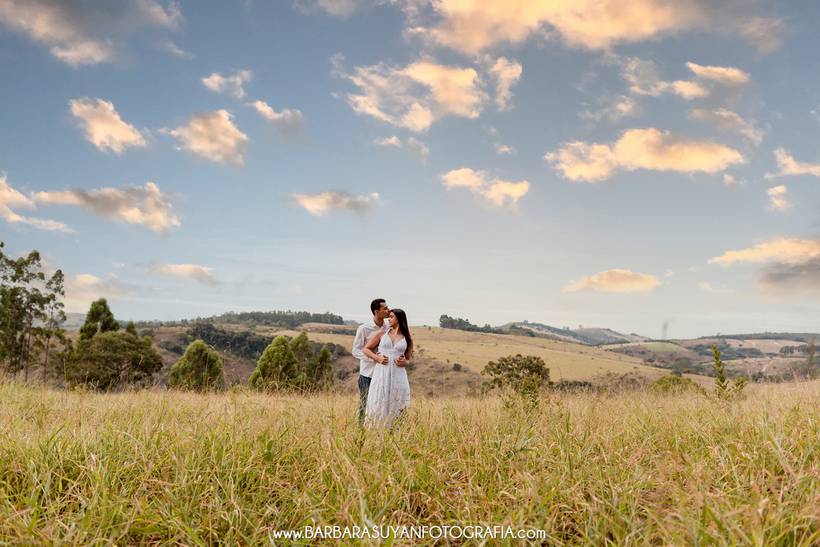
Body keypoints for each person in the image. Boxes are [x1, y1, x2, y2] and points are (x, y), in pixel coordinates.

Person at [351, 299, 405, 423]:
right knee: (365, 404)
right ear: (376, 311)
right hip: (368, 374)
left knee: (385, 404)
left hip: (385, 374)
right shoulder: (364, 328)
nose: (388, 310)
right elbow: (356, 351)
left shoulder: (389, 328)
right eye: (385, 308)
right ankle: (361, 433)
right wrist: (375, 358)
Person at [362, 308, 412, 427]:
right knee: (378, 399)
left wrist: (405, 362)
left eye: (392, 317)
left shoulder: (407, 337)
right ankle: (376, 429)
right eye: (389, 316)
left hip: (398, 374)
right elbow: (366, 349)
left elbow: (408, 358)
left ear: (399, 319)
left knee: (398, 401)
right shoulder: (381, 333)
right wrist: (377, 358)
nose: (389, 319)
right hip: (382, 372)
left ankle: (396, 429)